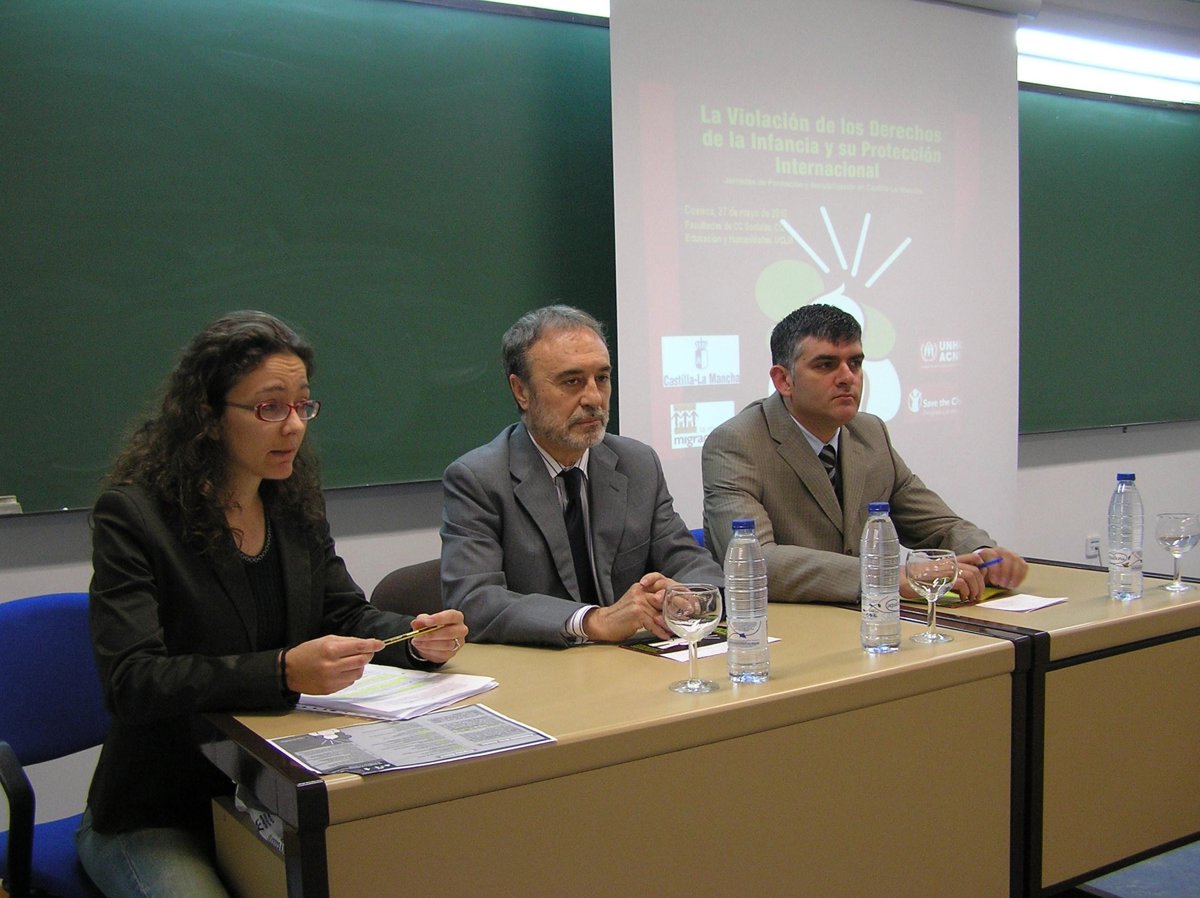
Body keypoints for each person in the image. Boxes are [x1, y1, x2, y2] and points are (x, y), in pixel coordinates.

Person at [78, 311, 467, 898]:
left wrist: (415, 639)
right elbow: (133, 681)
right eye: (269, 408)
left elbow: (344, 613)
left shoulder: (290, 502)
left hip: (273, 788)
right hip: (160, 808)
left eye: (303, 406)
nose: (293, 426)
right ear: (208, 416)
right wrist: (282, 671)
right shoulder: (135, 517)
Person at [702, 303, 1026, 604]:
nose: (847, 378)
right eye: (826, 365)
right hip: (780, 625)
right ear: (783, 379)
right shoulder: (736, 442)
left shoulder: (869, 432)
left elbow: (934, 523)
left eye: (855, 363)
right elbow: (752, 561)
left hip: (867, 619)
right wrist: (886, 576)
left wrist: (984, 554)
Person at [440, 304, 723, 646]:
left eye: (601, 378)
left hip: (631, 662)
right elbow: (475, 601)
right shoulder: (478, 479)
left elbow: (689, 560)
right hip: (543, 667)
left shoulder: (637, 463)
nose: (593, 398)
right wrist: (590, 621)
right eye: (572, 381)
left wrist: (686, 596)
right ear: (521, 391)